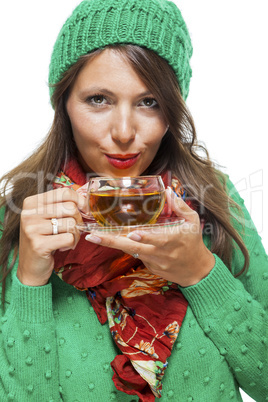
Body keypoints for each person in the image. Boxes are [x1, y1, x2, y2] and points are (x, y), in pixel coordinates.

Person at [0, 0, 267, 400]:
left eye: (149, 102)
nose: (124, 132)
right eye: (98, 100)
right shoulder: (19, 221)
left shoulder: (214, 200)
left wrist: (200, 273)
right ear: (64, 103)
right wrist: (31, 284)